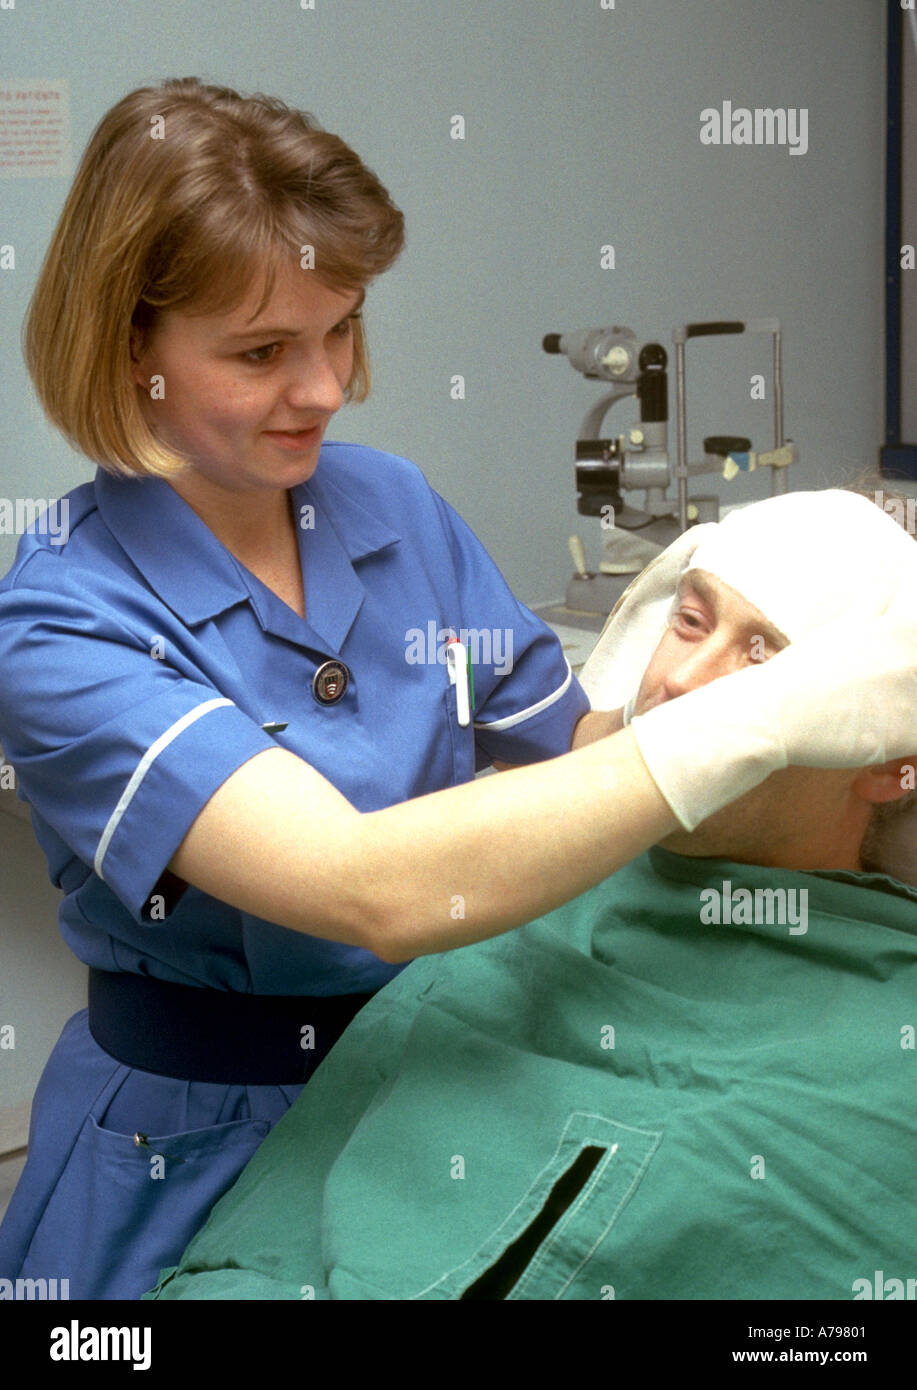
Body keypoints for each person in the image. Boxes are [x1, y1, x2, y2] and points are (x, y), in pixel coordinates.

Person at [0, 74, 913, 1301]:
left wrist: (688, 648)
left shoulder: (388, 507)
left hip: (427, 1077)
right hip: (194, 1134)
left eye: (344, 329)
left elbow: (576, 744)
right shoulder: (64, 616)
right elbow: (360, 887)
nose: (326, 389)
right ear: (131, 348)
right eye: (264, 352)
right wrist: (750, 713)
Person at [145, 487, 917, 1302]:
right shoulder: (529, 896)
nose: (683, 680)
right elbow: (263, 1241)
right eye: (687, 621)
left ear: (881, 756)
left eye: (764, 659)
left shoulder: (882, 1032)